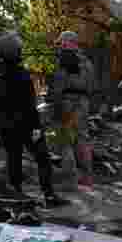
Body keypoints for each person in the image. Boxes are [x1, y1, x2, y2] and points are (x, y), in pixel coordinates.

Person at [0, 32, 69, 207]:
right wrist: (36, 127)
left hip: (6, 126)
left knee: (13, 157)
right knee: (43, 158)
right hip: (26, 125)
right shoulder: (20, 74)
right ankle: (49, 196)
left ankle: (17, 194)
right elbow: (29, 105)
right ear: (14, 51)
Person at [48, 31, 97, 189]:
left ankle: (70, 180)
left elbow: (58, 86)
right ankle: (87, 178)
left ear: (67, 42)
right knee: (83, 138)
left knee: (65, 140)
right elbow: (91, 86)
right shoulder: (87, 62)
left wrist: (55, 107)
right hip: (83, 103)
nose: (60, 46)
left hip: (67, 103)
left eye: (62, 43)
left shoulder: (63, 60)